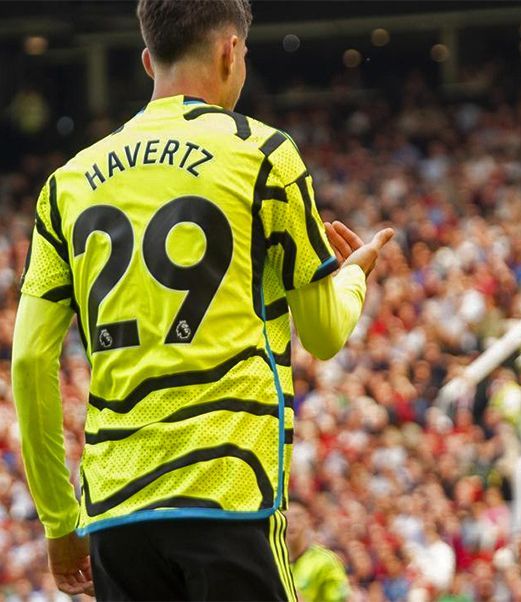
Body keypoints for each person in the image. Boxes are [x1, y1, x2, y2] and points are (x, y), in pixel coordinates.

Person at [11, 0, 392, 599]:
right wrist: (356, 275)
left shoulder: (67, 184)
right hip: (228, 491)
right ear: (229, 51)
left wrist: (60, 524)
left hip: (116, 509)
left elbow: (31, 361)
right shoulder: (265, 156)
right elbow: (323, 333)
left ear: (147, 60)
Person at [285, 501, 350, 602]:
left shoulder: (325, 561)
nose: (292, 522)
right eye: (286, 517)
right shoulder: (275, 563)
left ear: (308, 520)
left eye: (297, 516)